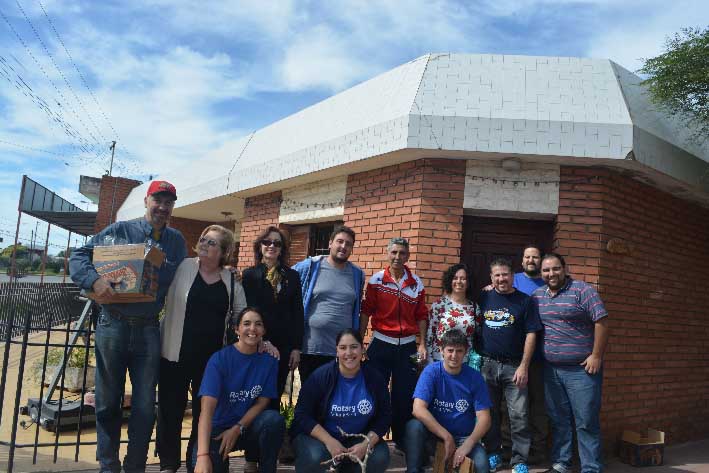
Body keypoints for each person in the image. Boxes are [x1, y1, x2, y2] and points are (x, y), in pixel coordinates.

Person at [69, 180, 187, 473]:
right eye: (157, 200)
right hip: (113, 325)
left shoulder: (176, 241)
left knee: (146, 407)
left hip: (148, 329)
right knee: (108, 403)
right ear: (146, 201)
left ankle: (135, 466)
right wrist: (94, 281)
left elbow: (186, 275)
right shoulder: (120, 231)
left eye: (168, 202)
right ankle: (109, 467)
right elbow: (79, 256)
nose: (162, 207)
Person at [157, 225, 247, 473]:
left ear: (224, 251)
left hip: (211, 362)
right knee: (170, 411)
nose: (205, 245)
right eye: (203, 240)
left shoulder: (231, 280)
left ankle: (196, 461)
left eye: (212, 243)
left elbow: (242, 317)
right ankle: (168, 464)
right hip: (174, 354)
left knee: (203, 415)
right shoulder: (182, 266)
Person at [532, 253, 609, 473]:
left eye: (555, 269)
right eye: (546, 270)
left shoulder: (583, 291)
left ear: (564, 269)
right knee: (559, 419)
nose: (551, 274)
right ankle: (561, 463)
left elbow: (602, 322)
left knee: (586, 422)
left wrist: (596, 355)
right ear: (541, 274)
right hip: (552, 370)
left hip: (581, 370)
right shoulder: (538, 295)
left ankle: (591, 468)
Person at [193, 307, 285, 473]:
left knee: (273, 420)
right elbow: (206, 411)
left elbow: (263, 401)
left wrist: (237, 428)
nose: (252, 329)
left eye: (258, 324)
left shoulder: (269, 361)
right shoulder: (219, 360)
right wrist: (202, 456)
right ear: (237, 329)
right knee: (204, 467)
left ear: (263, 330)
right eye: (246, 324)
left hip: (246, 427)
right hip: (218, 431)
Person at [291, 329, 391, 473]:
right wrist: (329, 441)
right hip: (319, 437)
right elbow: (301, 414)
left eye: (354, 347)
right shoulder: (321, 376)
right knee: (317, 457)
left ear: (362, 349)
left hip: (357, 437)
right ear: (336, 351)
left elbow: (385, 416)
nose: (349, 353)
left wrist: (365, 444)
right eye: (343, 348)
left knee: (379, 456)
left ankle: (346, 467)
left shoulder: (374, 378)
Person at [360, 237, 428, 446]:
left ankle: (401, 441)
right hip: (380, 343)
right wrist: (360, 342)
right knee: (376, 391)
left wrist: (422, 344)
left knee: (403, 396)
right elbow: (366, 312)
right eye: (394, 252)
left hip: (407, 346)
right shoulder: (376, 280)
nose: (398, 257)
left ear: (407, 256)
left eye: (402, 253)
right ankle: (374, 439)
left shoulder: (416, 283)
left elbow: (421, 315)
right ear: (387, 253)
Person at [478, 258, 542, 473]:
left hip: (515, 366)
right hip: (487, 365)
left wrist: (524, 365)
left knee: (519, 415)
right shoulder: (484, 296)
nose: (501, 278)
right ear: (491, 278)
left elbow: (531, 333)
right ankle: (494, 454)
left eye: (505, 274)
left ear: (512, 276)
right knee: (491, 413)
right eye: (497, 275)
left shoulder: (525, 301)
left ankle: (519, 460)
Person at [404, 329, 492, 473]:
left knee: (482, 467)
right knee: (414, 427)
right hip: (435, 437)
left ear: (465, 352)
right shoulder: (431, 372)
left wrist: (467, 445)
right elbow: (418, 409)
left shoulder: (474, 377)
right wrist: (446, 436)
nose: (454, 355)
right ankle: (414, 470)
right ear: (441, 350)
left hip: (465, 438)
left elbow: (485, 418)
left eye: (459, 351)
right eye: (450, 350)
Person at [242, 226, 304, 409]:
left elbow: (297, 313)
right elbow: (247, 311)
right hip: (256, 345)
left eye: (277, 243)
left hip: (283, 348)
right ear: (260, 246)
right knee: (252, 394)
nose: (272, 246)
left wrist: (296, 348)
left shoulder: (292, 276)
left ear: (282, 248)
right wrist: (260, 340)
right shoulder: (249, 275)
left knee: (274, 395)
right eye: (267, 242)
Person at [294, 225, 365, 382]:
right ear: (330, 243)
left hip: (342, 351)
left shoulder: (357, 274)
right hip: (311, 348)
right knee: (310, 398)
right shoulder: (310, 267)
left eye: (348, 244)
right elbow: (283, 277)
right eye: (340, 241)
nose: (343, 246)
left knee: (334, 398)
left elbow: (356, 309)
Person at [512, 244, 548, 464]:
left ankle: (539, 451)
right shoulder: (513, 279)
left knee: (539, 406)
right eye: (527, 257)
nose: (531, 260)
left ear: (541, 260)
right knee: (514, 408)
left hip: (541, 357)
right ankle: (513, 452)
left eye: (535, 257)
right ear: (522, 260)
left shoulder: (548, 280)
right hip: (515, 355)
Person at [425, 263, 480, 366]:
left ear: (468, 282)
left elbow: (476, 336)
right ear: (450, 281)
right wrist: (429, 360)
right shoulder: (439, 305)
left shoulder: (474, 307)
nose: (459, 282)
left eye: (463, 278)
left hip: (465, 361)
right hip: (441, 360)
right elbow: (430, 334)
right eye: (455, 278)